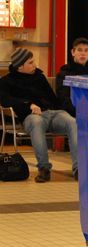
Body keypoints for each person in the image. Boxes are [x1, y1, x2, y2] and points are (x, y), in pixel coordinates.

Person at [0, 48, 79, 182]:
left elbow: (53, 99)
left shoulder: (39, 77)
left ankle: (78, 169)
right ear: (20, 66)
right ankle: (44, 168)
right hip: (30, 117)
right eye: (31, 62)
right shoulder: (6, 81)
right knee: (37, 123)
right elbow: (5, 100)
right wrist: (28, 104)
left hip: (52, 113)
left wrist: (63, 110)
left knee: (72, 122)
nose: (35, 65)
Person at [56, 37, 88, 117]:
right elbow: (64, 100)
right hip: (73, 114)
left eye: (86, 50)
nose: (83, 53)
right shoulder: (64, 74)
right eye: (79, 50)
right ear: (73, 52)